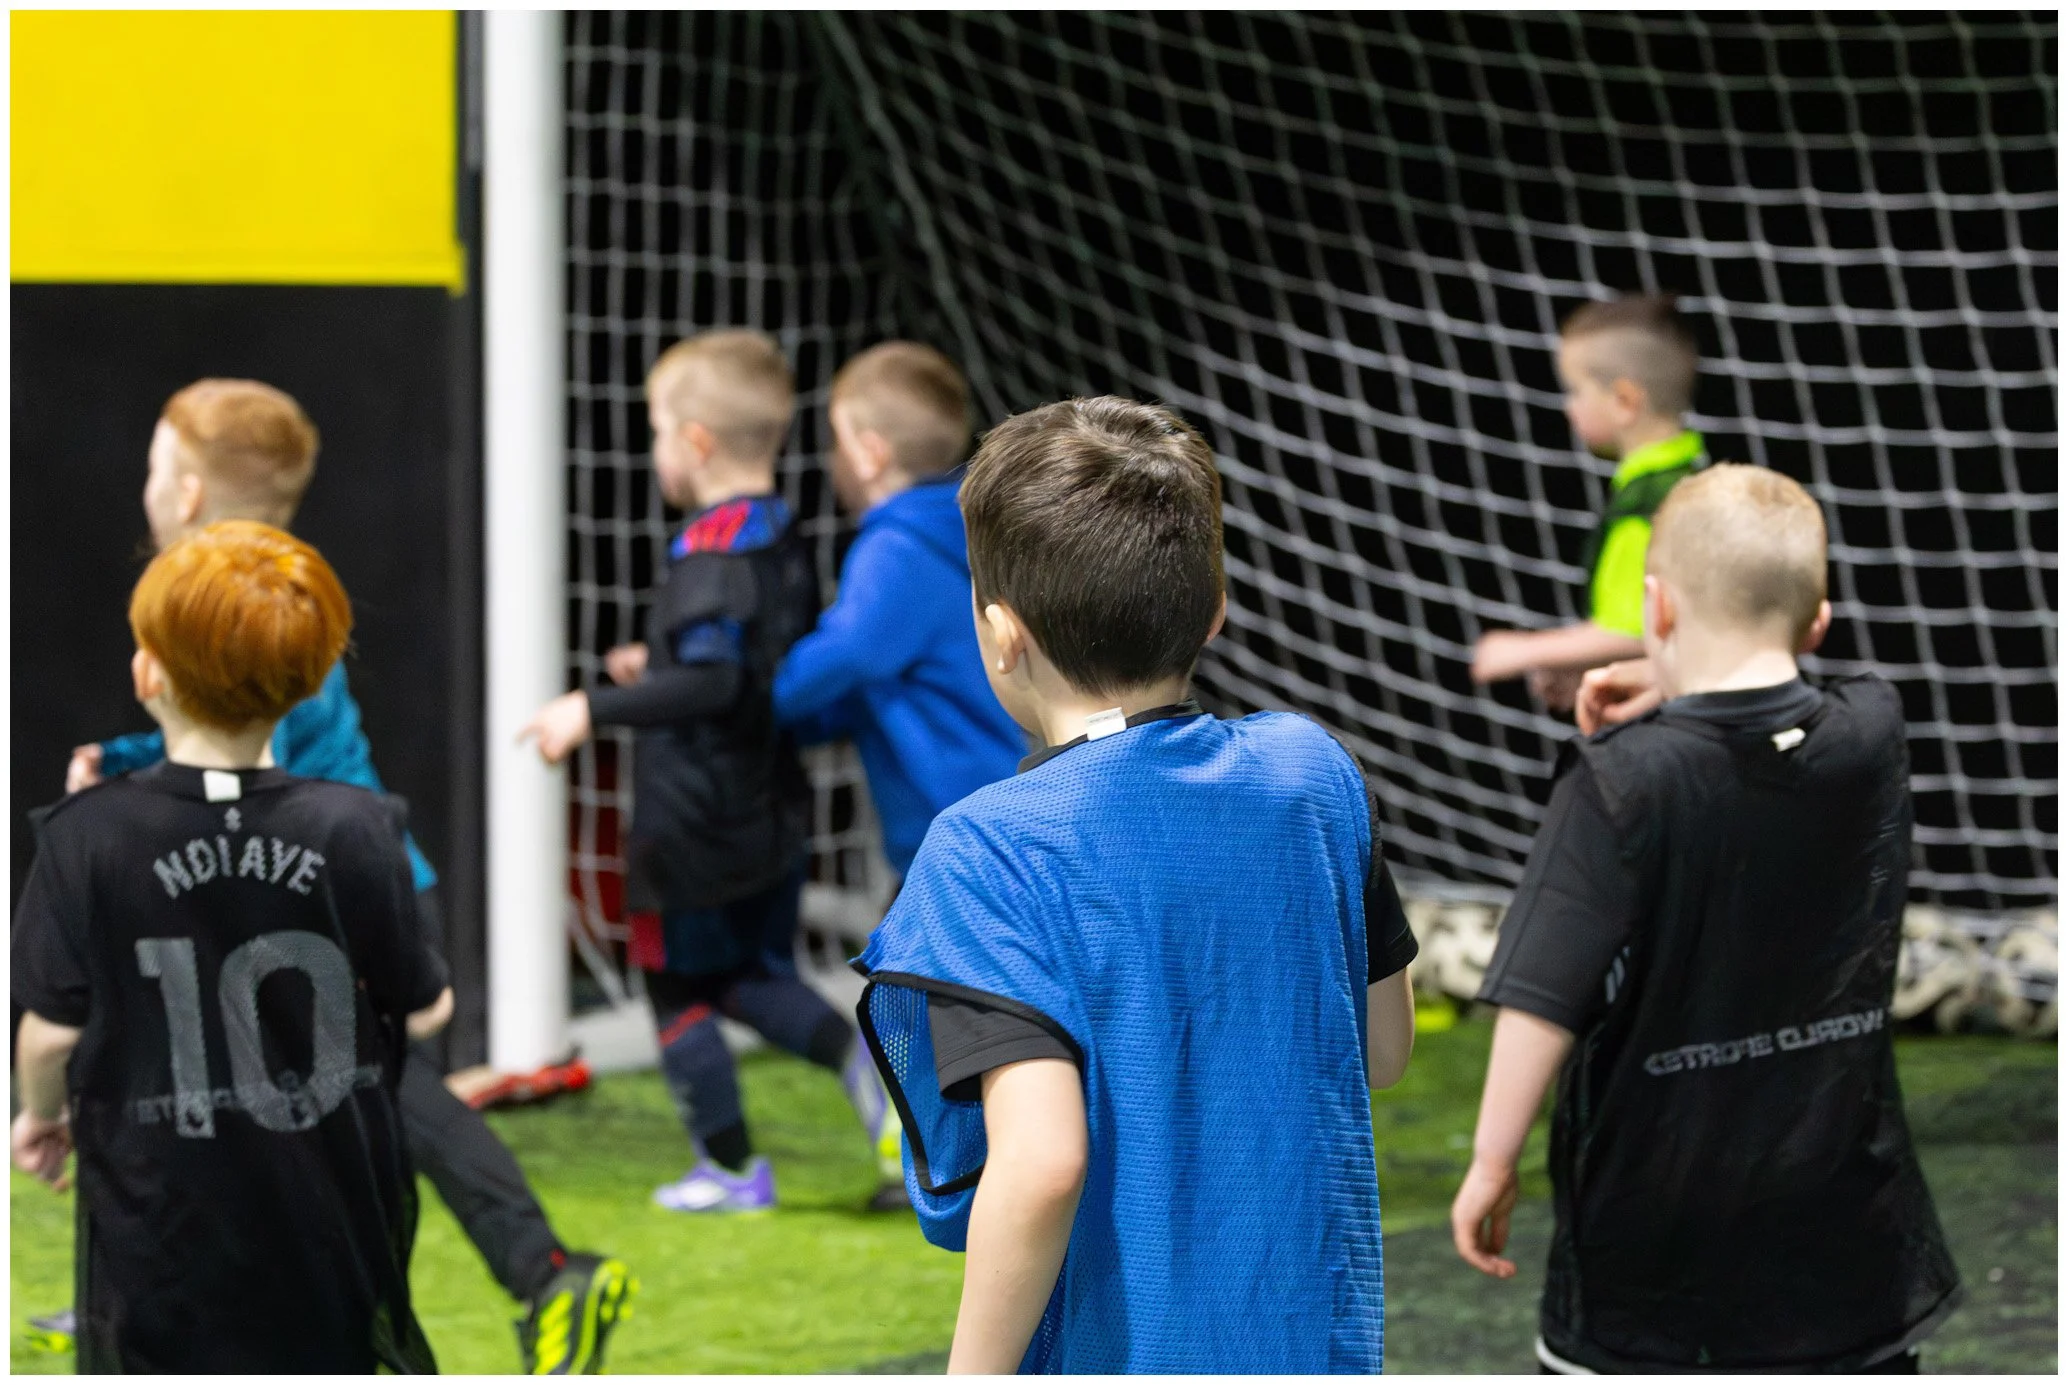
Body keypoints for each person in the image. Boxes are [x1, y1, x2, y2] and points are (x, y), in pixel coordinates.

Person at [57, 379, 629, 1374]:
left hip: (339, 895)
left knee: (366, 1083)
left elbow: (245, 744)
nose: (145, 484)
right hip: (293, 887)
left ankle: (544, 1271)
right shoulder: (266, 586)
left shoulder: (241, 606)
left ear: (187, 489)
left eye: (155, 465)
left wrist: (116, 768)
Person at [852, 397, 1420, 1373]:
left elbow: (1040, 1160)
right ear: (1214, 608)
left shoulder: (988, 849)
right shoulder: (1310, 773)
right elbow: (1385, 1045)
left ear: (1000, 635)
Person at [1450, 465, 1961, 1373]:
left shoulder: (1617, 778)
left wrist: (1493, 1161)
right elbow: (1799, 692)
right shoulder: (1873, 730)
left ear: (1658, 606)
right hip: (1848, 1260)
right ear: (1817, 620)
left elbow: (1542, 998)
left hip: (1659, 1263)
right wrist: (1675, 675)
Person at [13, 522, 450, 1371]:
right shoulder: (359, 826)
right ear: (307, 681)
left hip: (158, 1243)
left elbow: (51, 1033)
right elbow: (429, 1009)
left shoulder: (85, 835)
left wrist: (38, 1114)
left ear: (148, 671)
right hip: (332, 1235)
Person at [520, 330, 904, 1213]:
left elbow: (715, 677)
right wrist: (649, 669)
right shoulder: (781, 534)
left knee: (676, 986)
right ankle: (863, 1066)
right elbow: (741, 667)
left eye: (657, 430)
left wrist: (593, 708)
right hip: (769, 806)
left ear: (693, 441)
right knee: (756, 977)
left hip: (692, 819)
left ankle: (731, 1170)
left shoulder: (708, 552)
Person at [772, 341, 1027, 883]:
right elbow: (884, 682)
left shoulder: (897, 545)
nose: (830, 459)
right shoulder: (952, 532)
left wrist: (753, 695)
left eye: (835, 441)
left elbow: (851, 653)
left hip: (954, 832)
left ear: (869, 454)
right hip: (981, 813)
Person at [1471, 293, 1708, 713]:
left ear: (1624, 401)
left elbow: (1634, 629)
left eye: (1575, 390)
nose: (1569, 407)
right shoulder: (1692, 476)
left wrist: (1524, 650)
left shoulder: (1649, 505)